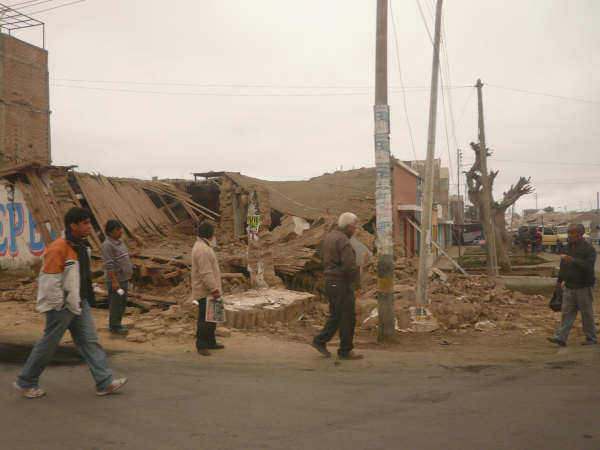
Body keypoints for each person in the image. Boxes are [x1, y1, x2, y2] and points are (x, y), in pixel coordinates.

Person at [13, 207, 127, 398]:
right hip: (62, 306)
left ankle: (104, 382)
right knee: (48, 344)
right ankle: (26, 382)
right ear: (73, 226)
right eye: (85, 223)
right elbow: (49, 281)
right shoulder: (57, 248)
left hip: (80, 302)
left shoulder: (83, 246)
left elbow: (81, 277)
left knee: (90, 342)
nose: (89, 227)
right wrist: (60, 304)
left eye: (89, 222)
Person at [312, 212, 363, 360]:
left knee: (336, 315)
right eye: (354, 227)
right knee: (347, 317)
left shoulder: (329, 237)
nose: (354, 230)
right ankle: (346, 350)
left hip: (330, 281)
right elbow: (349, 266)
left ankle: (320, 341)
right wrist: (357, 285)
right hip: (341, 282)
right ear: (348, 227)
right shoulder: (343, 241)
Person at [548, 223, 598, 347]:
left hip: (584, 286)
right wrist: (559, 282)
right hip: (569, 286)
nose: (569, 235)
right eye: (569, 232)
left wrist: (574, 261)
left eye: (572, 232)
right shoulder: (567, 247)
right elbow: (563, 266)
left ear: (580, 235)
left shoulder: (588, 249)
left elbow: (589, 265)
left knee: (586, 313)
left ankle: (591, 337)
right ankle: (561, 337)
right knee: (566, 313)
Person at [191, 222, 224, 356]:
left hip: (211, 288)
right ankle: (202, 345)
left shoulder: (204, 246)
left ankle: (211, 342)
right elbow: (206, 273)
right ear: (211, 234)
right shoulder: (202, 249)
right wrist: (214, 289)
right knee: (205, 319)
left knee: (213, 318)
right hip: (206, 290)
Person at [101, 220, 138, 334]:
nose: (120, 231)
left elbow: (123, 255)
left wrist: (130, 256)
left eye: (120, 228)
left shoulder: (120, 241)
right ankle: (115, 327)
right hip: (117, 282)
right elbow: (109, 265)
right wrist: (114, 281)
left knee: (122, 301)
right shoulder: (107, 245)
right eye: (117, 229)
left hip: (124, 279)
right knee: (116, 303)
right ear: (110, 232)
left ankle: (118, 325)